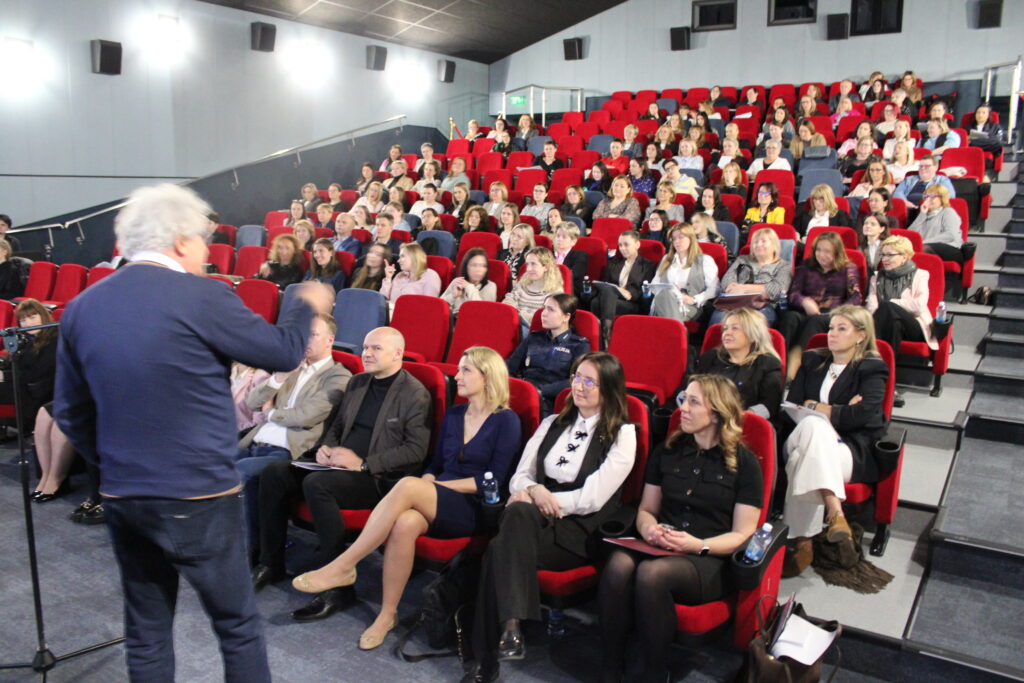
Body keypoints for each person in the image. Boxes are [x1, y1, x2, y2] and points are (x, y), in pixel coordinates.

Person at [54, 183, 335, 681]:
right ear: (181, 240)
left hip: (124, 494)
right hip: (199, 495)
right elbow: (282, 352)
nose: (207, 253)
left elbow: (71, 414)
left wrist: (117, 465)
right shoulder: (200, 295)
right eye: (204, 241)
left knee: (146, 631)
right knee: (237, 626)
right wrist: (303, 299)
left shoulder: (81, 307)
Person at [291, 347, 521, 650]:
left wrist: (433, 488)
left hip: (475, 507)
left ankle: (345, 564)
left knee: (409, 486)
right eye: (459, 368)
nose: (457, 375)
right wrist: (429, 481)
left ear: (488, 376)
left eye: (466, 370)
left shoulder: (507, 421)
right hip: (436, 496)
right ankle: (388, 615)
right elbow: (436, 464)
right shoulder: (454, 415)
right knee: (404, 523)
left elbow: (493, 480)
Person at [464, 352, 636, 683]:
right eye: (577, 378)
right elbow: (520, 476)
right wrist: (532, 491)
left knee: (499, 548)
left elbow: (592, 498)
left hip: (577, 531)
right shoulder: (552, 423)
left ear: (610, 389)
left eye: (590, 381)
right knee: (514, 523)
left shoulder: (623, 434)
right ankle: (508, 632)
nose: (579, 386)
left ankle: (491, 654)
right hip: (532, 520)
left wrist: (542, 496)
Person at [252, 327, 431, 622]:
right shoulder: (359, 382)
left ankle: (338, 582)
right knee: (275, 473)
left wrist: (362, 463)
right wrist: (327, 448)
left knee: (318, 484)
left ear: (398, 353)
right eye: (365, 347)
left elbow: (415, 451)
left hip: (376, 478)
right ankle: (271, 563)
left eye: (376, 348)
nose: (367, 353)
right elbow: (337, 425)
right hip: (335, 465)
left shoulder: (414, 393)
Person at [598, 373, 762, 681]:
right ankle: (611, 665)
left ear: (717, 412)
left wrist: (696, 544)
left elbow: (743, 534)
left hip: (709, 557)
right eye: (683, 399)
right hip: (662, 543)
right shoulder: (668, 450)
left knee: (652, 574)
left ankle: (656, 672)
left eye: (693, 402)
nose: (683, 408)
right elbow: (647, 509)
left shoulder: (745, 463)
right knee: (618, 564)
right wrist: (648, 530)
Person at [781, 306, 888, 576]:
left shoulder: (873, 368)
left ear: (861, 336)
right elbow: (794, 405)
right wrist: (837, 411)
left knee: (801, 457)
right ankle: (835, 514)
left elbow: (864, 415)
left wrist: (818, 407)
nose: (832, 334)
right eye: (830, 328)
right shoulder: (811, 360)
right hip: (799, 436)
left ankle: (802, 542)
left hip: (848, 451)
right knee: (813, 428)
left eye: (842, 329)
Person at [236, 315, 351, 551]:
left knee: (242, 472)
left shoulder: (338, 376)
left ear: (330, 340)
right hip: (254, 442)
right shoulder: (292, 368)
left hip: (290, 453)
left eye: (313, 334)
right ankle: (219, 539)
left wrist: (270, 413)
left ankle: (251, 551)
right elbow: (252, 401)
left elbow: (306, 416)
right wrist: (279, 378)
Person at [778, 231, 863, 379]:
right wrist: (804, 302)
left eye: (827, 251)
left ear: (836, 252)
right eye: (818, 250)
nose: (821, 255)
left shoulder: (847, 268)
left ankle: (797, 365)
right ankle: (779, 363)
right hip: (805, 311)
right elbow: (793, 294)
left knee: (815, 321)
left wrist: (837, 312)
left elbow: (856, 297)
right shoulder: (806, 267)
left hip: (831, 315)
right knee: (790, 318)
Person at [867, 234, 936, 381]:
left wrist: (892, 303)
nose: (884, 259)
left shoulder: (920, 275)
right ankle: (887, 378)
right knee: (893, 322)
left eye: (890, 255)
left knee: (887, 307)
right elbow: (871, 307)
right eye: (883, 255)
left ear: (904, 257)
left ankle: (873, 372)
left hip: (914, 325)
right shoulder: (876, 277)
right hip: (887, 325)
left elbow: (918, 306)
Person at [506, 293, 591, 411]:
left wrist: (540, 391)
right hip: (525, 392)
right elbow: (509, 367)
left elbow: (576, 380)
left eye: (550, 310)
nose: (543, 313)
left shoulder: (579, 345)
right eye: (544, 308)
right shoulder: (534, 338)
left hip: (551, 399)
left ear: (566, 317)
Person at [697, 310, 783, 420]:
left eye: (735, 328)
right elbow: (688, 389)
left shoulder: (768, 363)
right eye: (725, 328)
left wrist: (740, 418)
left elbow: (769, 405)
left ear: (753, 335)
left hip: (743, 424)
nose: (727, 333)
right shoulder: (710, 357)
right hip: (703, 420)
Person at [583, 230, 657, 342]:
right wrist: (617, 290)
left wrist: (629, 293)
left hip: (631, 302)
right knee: (603, 295)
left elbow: (645, 289)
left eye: (626, 244)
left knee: (597, 302)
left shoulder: (648, 265)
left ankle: (603, 336)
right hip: (611, 300)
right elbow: (605, 283)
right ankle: (606, 333)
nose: (622, 248)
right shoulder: (613, 263)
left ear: (637, 245)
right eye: (620, 245)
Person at [712, 227, 791, 326]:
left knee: (752, 322)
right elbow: (726, 281)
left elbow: (777, 289)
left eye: (763, 241)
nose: (758, 245)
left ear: (774, 245)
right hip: (735, 303)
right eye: (755, 242)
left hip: (763, 306)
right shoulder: (742, 260)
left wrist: (743, 288)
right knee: (719, 317)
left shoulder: (783, 266)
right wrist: (734, 288)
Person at [650, 225, 719, 323]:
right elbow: (655, 285)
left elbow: (714, 288)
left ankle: (676, 333)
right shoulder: (666, 259)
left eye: (680, 237)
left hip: (691, 306)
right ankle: (679, 334)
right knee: (665, 294)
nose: (677, 242)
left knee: (664, 307)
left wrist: (695, 299)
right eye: (674, 239)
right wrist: (672, 293)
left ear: (691, 238)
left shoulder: (705, 260)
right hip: (665, 302)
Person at [504, 247, 564, 330]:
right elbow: (508, 300)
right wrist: (516, 314)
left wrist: (518, 313)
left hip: (535, 332)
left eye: (533, 264)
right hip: (514, 324)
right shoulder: (523, 282)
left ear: (546, 267)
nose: (528, 269)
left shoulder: (555, 291)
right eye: (527, 264)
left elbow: (544, 318)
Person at [909, 184, 964, 264]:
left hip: (950, 249)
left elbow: (951, 235)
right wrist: (922, 215)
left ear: (942, 198)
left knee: (923, 249)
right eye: (926, 196)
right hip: (928, 247)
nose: (928, 199)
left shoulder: (948, 212)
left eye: (932, 196)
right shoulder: (923, 215)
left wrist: (923, 242)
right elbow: (910, 235)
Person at [380, 242, 442, 310]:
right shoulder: (399, 275)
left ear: (414, 256)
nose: (398, 260)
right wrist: (388, 278)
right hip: (391, 314)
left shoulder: (430, 275)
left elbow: (429, 305)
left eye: (402, 256)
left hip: (413, 317)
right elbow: (383, 299)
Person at [442, 248, 498, 315]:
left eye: (483, 266)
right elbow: (439, 307)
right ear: (466, 267)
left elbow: (483, 313)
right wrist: (453, 296)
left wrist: (470, 288)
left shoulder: (490, 286)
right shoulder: (458, 281)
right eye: (474, 265)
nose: (479, 269)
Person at [551, 222, 589, 296]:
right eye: (558, 236)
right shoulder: (548, 254)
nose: (559, 239)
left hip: (568, 293)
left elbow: (571, 275)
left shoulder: (580, 255)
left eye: (564, 237)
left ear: (573, 242)